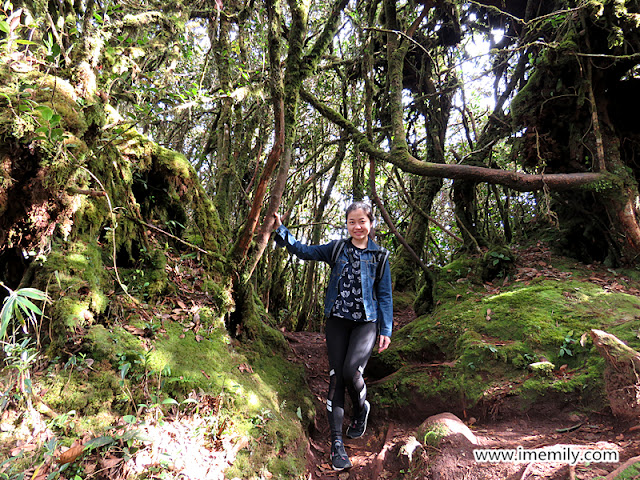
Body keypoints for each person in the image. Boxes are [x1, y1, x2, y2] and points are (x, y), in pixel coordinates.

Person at [272, 201, 393, 471]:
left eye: (362, 221)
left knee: (352, 371)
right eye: (352, 222)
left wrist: (386, 329)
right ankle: (336, 445)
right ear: (347, 224)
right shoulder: (337, 248)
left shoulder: (380, 256)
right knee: (337, 378)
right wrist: (281, 230)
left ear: (371, 223)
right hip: (337, 322)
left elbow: (384, 295)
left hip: (366, 323)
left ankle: (361, 409)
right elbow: (304, 251)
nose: (357, 226)